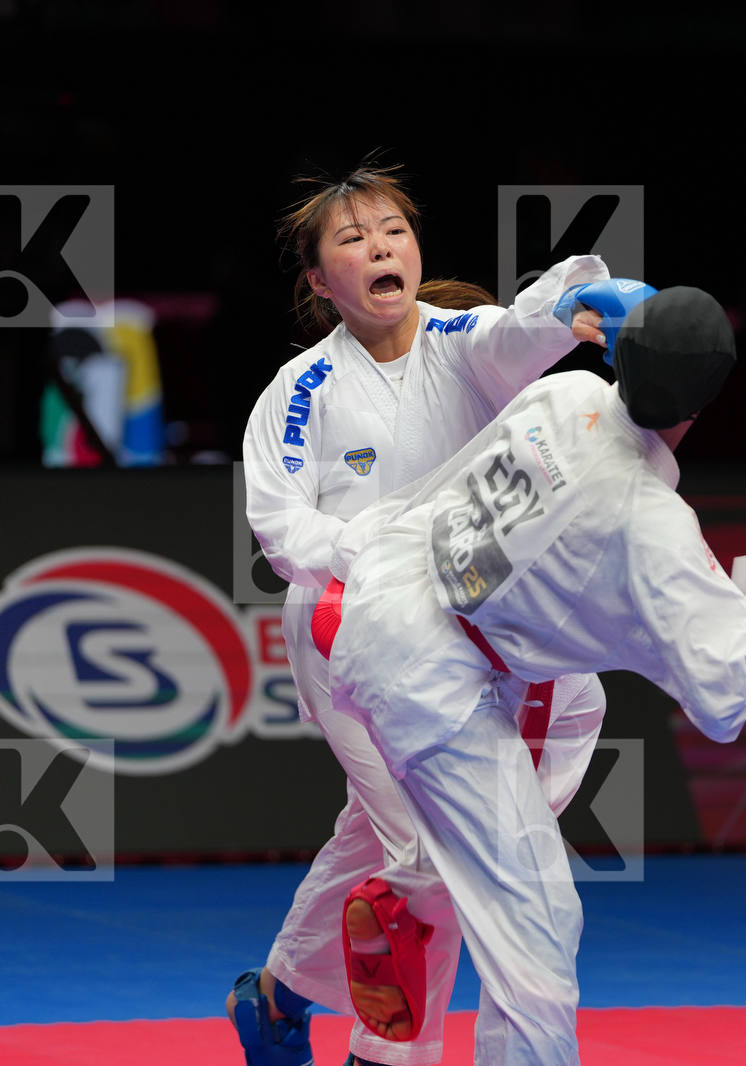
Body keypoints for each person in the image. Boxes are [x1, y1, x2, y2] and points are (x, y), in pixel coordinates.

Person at [316, 285, 746, 1065]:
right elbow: (728, 695)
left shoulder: (564, 392)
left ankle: (418, 896)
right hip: (439, 686)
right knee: (536, 929)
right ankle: (418, 899)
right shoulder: (648, 523)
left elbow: (443, 491)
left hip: (396, 613)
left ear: (621, 353)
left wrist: (362, 574)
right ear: (709, 400)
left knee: (554, 754)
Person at [231, 162, 618, 1066]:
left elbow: (524, 330)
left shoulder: (466, 342)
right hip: (344, 632)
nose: (379, 248)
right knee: (433, 843)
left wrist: (576, 300)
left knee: (386, 838)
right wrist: (382, 551)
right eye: (352, 239)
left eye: (393, 232)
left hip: (473, 631)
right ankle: (386, 1051)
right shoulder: (299, 392)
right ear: (320, 281)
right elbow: (280, 528)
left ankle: (281, 995)